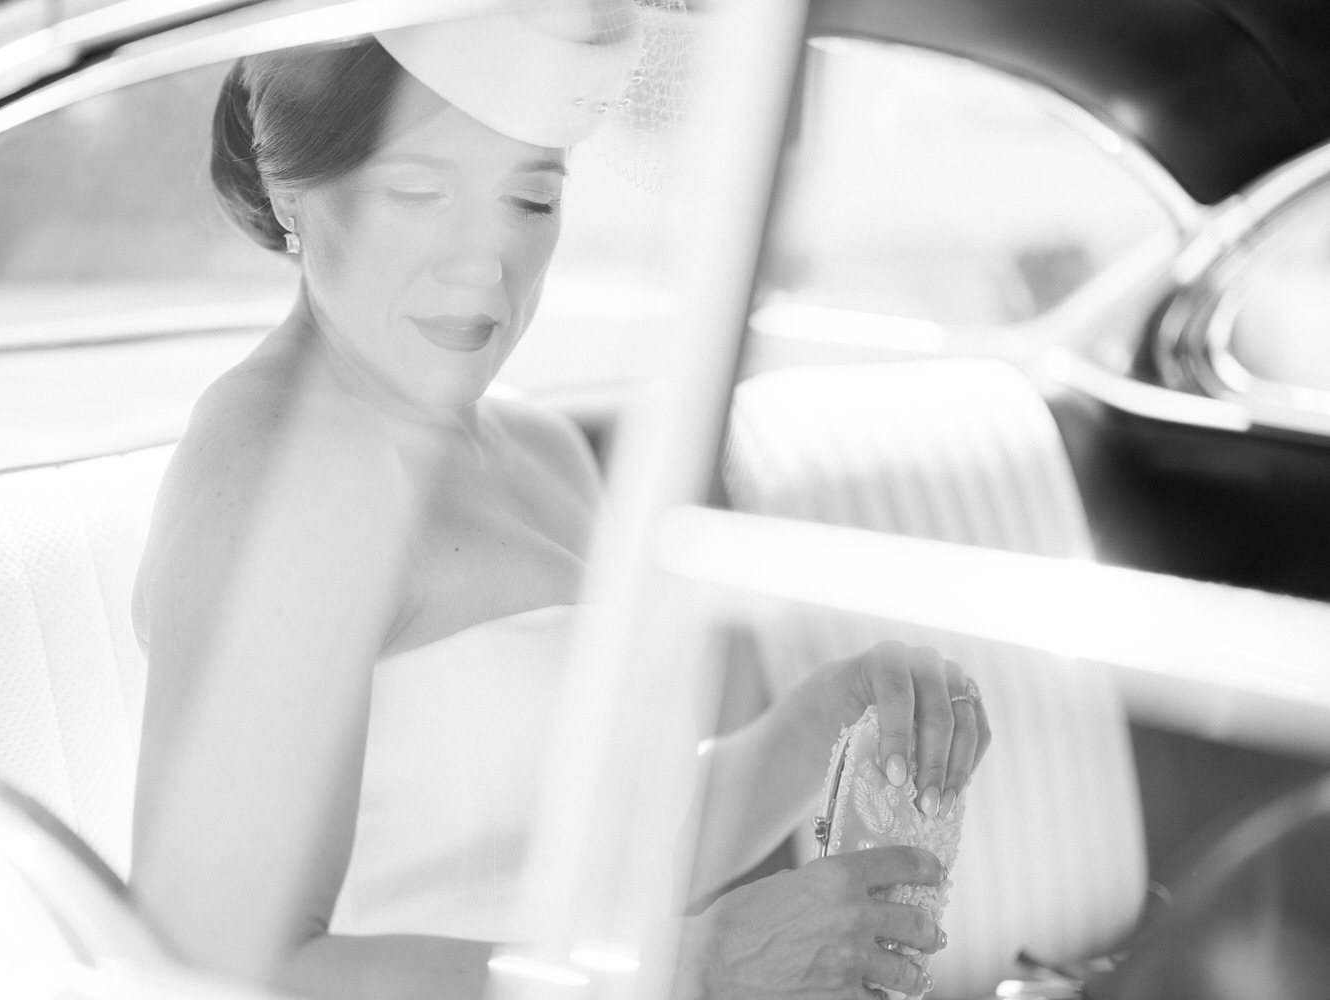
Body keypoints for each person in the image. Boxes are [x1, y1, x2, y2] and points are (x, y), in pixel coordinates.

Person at [129, 5, 991, 999]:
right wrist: (697, 967)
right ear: (292, 188)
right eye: (418, 192)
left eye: (530, 201)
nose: (483, 261)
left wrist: (829, 716)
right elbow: (220, 964)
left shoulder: (539, 448)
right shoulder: (281, 479)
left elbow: (602, 849)